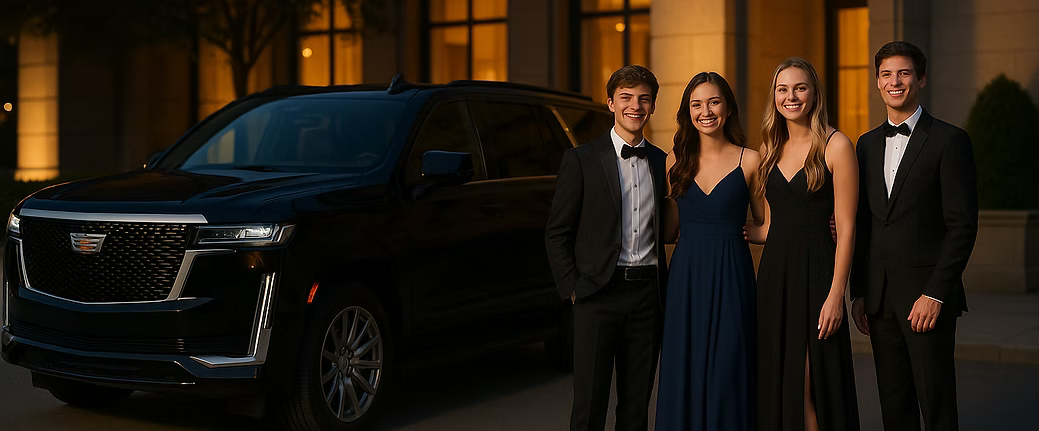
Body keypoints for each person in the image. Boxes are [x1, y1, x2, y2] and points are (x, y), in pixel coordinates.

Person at [850, 41, 978, 431]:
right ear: (877, 82)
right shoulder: (867, 144)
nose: (895, 82)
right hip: (880, 299)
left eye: (904, 73)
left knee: (936, 405)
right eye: (887, 74)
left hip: (927, 298)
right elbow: (866, 222)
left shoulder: (949, 141)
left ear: (921, 79)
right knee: (894, 405)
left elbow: (962, 225)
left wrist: (936, 292)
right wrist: (859, 292)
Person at [545, 65, 667, 431]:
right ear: (610, 102)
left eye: (644, 99)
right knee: (589, 405)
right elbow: (556, 232)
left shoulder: (663, 162)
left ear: (652, 106)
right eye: (626, 98)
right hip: (597, 293)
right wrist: (572, 289)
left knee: (635, 408)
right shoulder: (581, 159)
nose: (635, 106)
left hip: (647, 295)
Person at [747, 57, 860, 431]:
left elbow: (846, 226)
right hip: (775, 277)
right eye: (783, 89)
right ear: (774, 97)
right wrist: (739, 232)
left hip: (817, 278)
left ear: (814, 93)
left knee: (807, 386)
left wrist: (836, 294)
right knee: (780, 382)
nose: (791, 96)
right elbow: (771, 221)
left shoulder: (836, 144)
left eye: (800, 88)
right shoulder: (767, 149)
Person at [654, 71, 763, 431]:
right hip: (686, 273)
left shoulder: (751, 159)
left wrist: (825, 223)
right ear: (688, 111)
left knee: (729, 362)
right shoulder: (675, 160)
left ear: (729, 107)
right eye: (696, 104)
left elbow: (767, 223)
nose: (706, 111)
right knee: (686, 360)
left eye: (714, 101)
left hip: (732, 269)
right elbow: (669, 230)